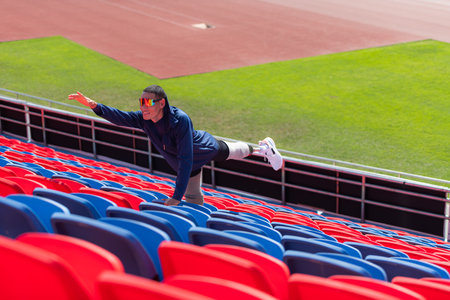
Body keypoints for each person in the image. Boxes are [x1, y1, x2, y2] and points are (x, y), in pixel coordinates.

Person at [68, 85, 283, 206]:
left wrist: (175, 197)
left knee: (233, 152)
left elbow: (187, 159)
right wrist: (93, 105)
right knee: (194, 199)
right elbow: (120, 117)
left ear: (162, 103)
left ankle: (263, 148)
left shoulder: (180, 120)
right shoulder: (144, 119)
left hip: (201, 149)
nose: (144, 107)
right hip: (185, 163)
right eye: (141, 102)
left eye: (149, 102)